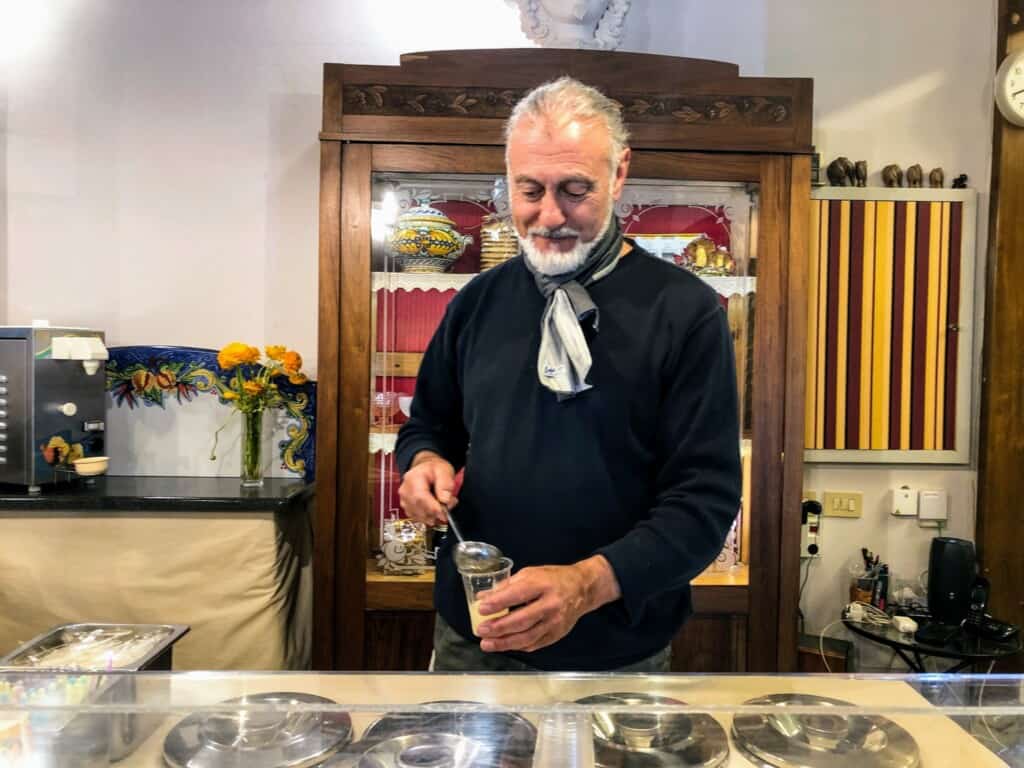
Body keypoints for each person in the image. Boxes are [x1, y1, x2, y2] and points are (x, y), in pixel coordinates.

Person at [396, 76, 741, 673]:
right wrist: (424, 464)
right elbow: (430, 425)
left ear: (619, 172)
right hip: (476, 634)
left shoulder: (685, 313)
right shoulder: (477, 302)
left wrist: (587, 584)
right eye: (529, 189)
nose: (549, 215)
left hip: (617, 650)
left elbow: (704, 501)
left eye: (575, 189)